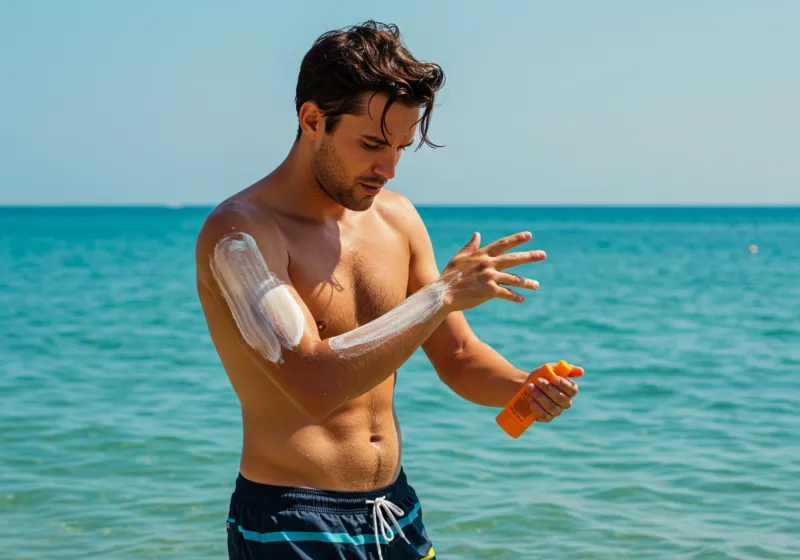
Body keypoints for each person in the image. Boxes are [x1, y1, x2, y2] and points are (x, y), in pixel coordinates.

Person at [195, 20, 582, 560]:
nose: (389, 168)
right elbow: (312, 383)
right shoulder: (241, 234)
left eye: (401, 147)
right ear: (312, 120)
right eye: (373, 144)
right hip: (292, 521)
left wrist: (524, 388)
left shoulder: (397, 220)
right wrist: (440, 294)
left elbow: (461, 357)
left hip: (395, 513)